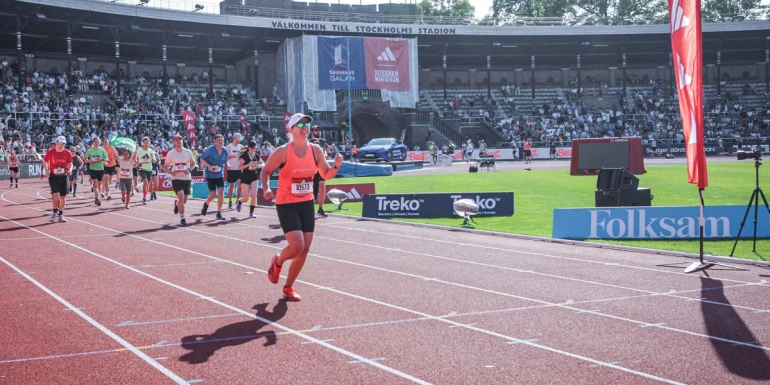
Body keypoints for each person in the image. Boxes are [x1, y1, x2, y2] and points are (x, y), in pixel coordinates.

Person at [260, 113, 343, 301]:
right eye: (301, 125)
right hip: (286, 203)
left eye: (307, 124)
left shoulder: (315, 151)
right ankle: (278, 261)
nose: (305, 128)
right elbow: (265, 170)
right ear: (291, 129)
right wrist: (266, 188)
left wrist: (336, 166)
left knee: (305, 249)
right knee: (297, 246)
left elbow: (326, 174)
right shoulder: (282, 152)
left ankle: (288, 287)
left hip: (306, 202)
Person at [164, 134, 197, 226]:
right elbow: (165, 167)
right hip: (176, 178)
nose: (179, 141)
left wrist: (189, 170)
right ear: (174, 142)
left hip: (186, 178)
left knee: (184, 200)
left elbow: (193, 163)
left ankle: (177, 204)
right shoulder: (171, 154)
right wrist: (171, 173)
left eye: (180, 140)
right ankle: (182, 218)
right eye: (177, 140)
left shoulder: (188, 152)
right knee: (181, 197)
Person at [42, 136, 72, 222]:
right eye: (61, 143)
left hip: (63, 176)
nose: (62, 145)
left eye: (64, 143)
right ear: (57, 143)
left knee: (62, 197)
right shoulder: (51, 152)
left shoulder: (67, 153)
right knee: (55, 195)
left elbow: (70, 163)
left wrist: (69, 169)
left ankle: (61, 214)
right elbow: (44, 161)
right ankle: (55, 212)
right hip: (53, 176)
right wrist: (46, 170)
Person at [199, 134, 228, 220]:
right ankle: (206, 203)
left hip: (219, 174)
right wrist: (209, 166)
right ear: (214, 141)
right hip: (210, 175)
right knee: (213, 194)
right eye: (218, 140)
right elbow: (201, 159)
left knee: (221, 192)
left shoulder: (225, 151)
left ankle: (219, 213)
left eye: (222, 140)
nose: (220, 142)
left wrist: (228, 164)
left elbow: (225, 161)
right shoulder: (209, 150)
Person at [236, 141, 264, 218]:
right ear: (249, 148)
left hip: (254, 176)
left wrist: (258, 165)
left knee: (254, 194)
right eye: (253, 148)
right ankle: (240, 202)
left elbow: (263, 163)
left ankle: (251, 212)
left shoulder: (256, 155)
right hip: (245, 177)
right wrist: (248, 164)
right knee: (246, 198)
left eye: (255, 148)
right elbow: (239, 167)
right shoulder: (244, 156)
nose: (254, 149)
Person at [309, 125, 330, 217]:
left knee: (322, 186)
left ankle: (320, 208)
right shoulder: (308, 142)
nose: (318, 132)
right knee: (313, 189)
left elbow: (325, 154)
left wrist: (327, 155)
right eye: (316, 130)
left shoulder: (323, 141)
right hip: (312, 167)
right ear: (312, 132)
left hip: (321, 167)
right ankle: (310, 210)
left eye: (319, 130)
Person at [84, 137, 108, 206]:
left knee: (99, 185)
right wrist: (89, 161)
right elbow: (85, 158)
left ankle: (96, 197)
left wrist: (102, 159)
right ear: (93, 142)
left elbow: (106, 158)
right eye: (95, 142)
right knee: (95, 183)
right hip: (93, 169)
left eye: (98, 142)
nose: (96, 143)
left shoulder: (102, 150)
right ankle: (97, 198)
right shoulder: (90, 151)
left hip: (100, 169)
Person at [225, 133, 243, 209]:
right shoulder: (228, 147)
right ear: (234, 138)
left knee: (240, 185)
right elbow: (224, 158)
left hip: (239, 168)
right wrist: (230, 157)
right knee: (231, 186)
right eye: (238, 139)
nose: (239, 141)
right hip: (231, 169)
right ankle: (230, 201)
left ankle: (238, 200)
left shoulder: (241, 147)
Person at [136, 137, 156, 204]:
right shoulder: (139, 151)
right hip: (142, 169)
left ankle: (144, 196)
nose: (146, 144)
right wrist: (137, 163)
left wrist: (153, 159)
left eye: (147, 142)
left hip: (149, 169)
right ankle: (144, 198)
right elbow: (135, 159)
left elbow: (154, 160)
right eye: (145, 143)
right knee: (145, 182)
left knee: (147, 184)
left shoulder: (151, 151)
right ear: (142, 143)